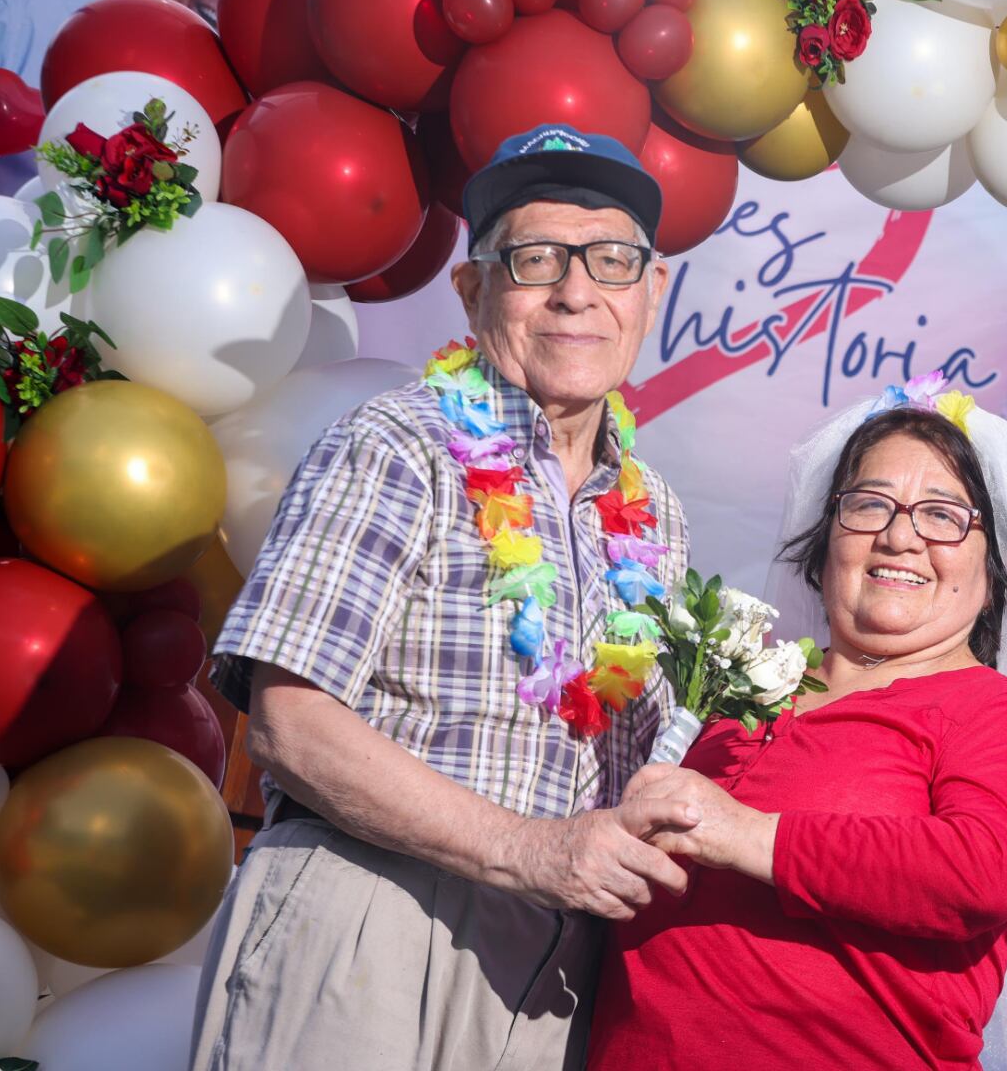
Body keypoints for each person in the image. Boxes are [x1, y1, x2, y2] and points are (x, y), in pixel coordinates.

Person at [189, 124, 694, 1071]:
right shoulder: (395, 441)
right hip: (367, 915)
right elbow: (291, 725)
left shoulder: (653, 513)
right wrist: (531, 851)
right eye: (536, 259)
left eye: (612, 260)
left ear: (652, 290)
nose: (576, 291)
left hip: (554, 971)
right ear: (472, 289)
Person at [587, 390, 1007, 1069]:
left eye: (943, 515)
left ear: (993, 571)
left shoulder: (998, 711)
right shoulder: (734, 692)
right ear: (825, 542)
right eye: (871, 504)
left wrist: (747, 835)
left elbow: (984, 870)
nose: (900, 536)